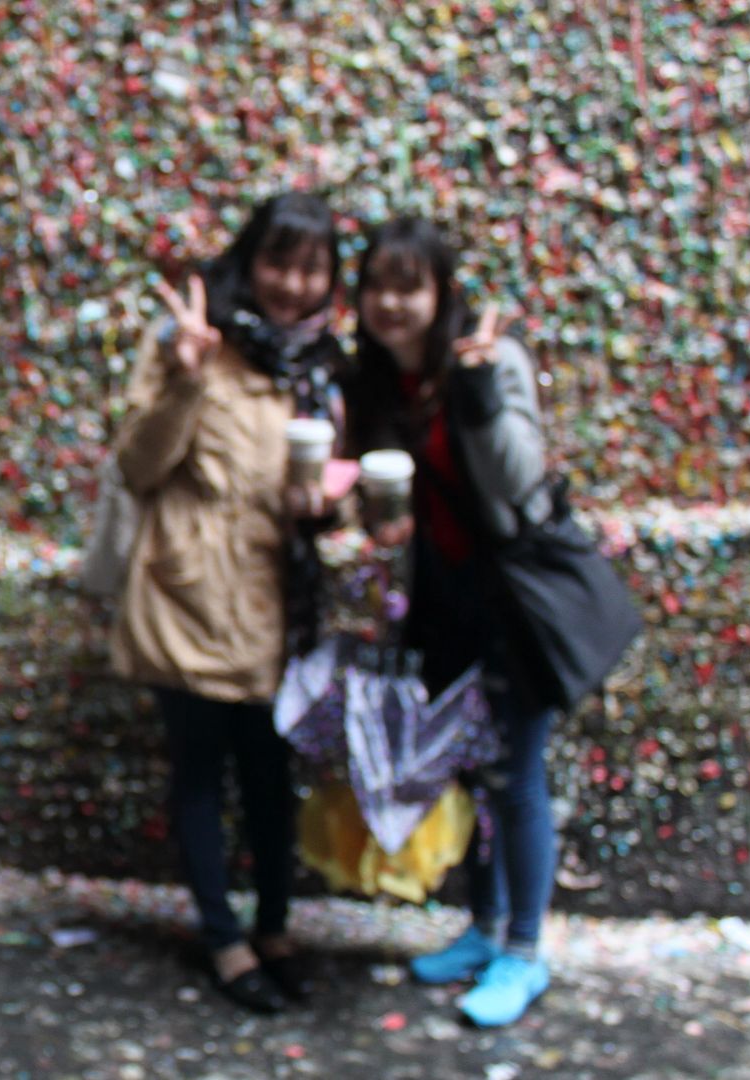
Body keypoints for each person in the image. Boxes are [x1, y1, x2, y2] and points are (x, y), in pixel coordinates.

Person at [110, 194, 343, 1014]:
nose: (293, 283)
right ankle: (223, 939)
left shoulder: (322, 365)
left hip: (280, 604)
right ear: (249, 260)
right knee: (202, 773)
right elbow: (137, 468)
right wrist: (186, 377)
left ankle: (274, 930)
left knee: (273, 778)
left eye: (312, 268)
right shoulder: (190, 339)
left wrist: (330, 508)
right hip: (191, 601)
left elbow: (334, 477)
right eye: (279, 261)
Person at [343, 215, 556, 1027]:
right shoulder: (381, 383)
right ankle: (486, 928)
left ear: (441, 292)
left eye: (409, 286)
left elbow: (521, 479)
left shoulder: (488, 360)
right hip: (445, 607)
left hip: (516, 603)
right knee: (468, 772)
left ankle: (524, 953)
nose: (391, 303)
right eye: (376, 287)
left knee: (518, 778)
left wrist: (481, 391)